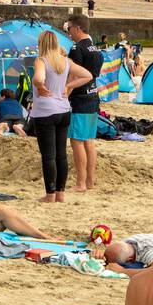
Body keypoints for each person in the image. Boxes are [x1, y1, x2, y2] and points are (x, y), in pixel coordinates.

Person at [31, 29, 92, 203]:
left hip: (45, 112)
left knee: (48, 156)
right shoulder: (65, 61)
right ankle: (60, 194)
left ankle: (50, 195)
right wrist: (69, 86)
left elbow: (39, 77)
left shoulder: (41, 60)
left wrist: (39, 84)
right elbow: (87, 75)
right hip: (64, 111)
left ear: (42, 44)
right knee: (61, 155)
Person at [66, 14, 103, 192]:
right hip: (93, 96)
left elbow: (74, 75)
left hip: (80, 98)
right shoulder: (96, 50)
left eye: (70, 29)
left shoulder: (76, 49)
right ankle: (90, 181)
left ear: (78, 28)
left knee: (77, 140)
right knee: (89, 140)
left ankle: (80, 183)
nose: (69, 32)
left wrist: (65, 93)